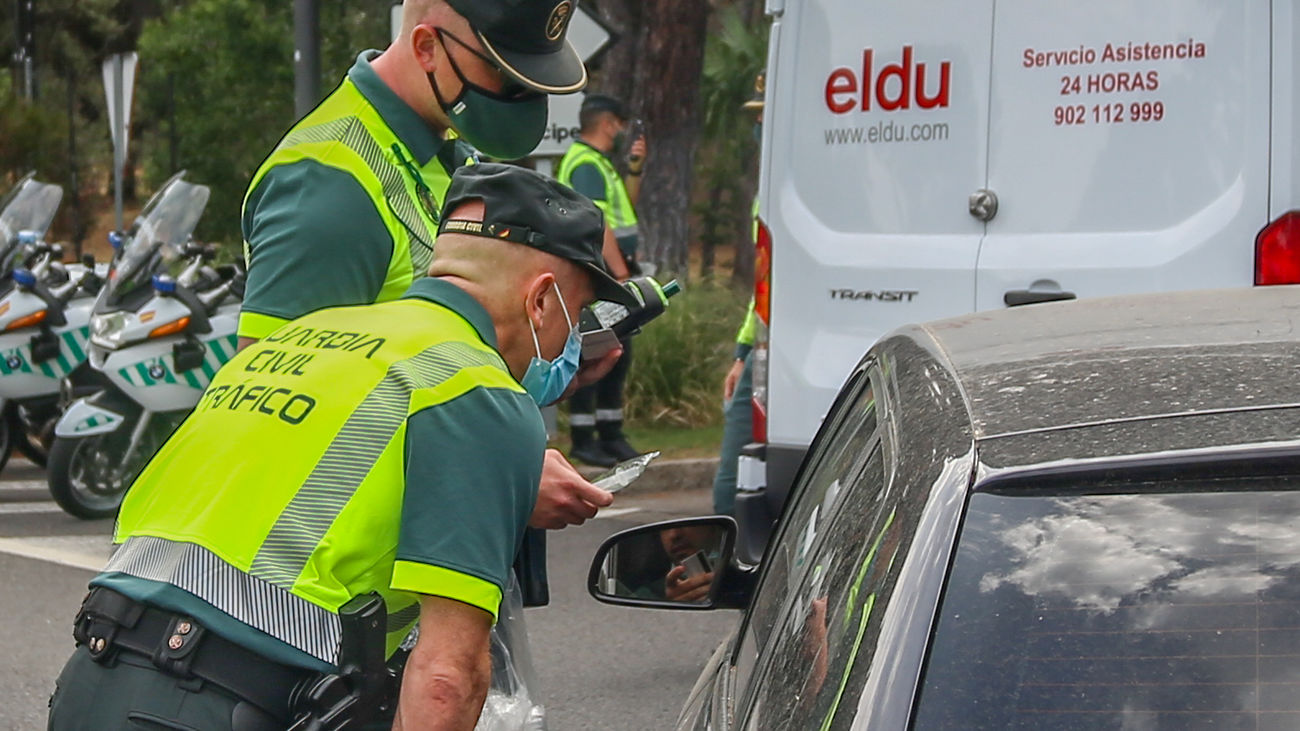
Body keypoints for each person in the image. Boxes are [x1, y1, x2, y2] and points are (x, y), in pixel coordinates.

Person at [47, 164, 641, 730]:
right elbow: (445, 678)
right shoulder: (478, 390)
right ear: (541, 299)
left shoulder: (311, 333)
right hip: (214, 704)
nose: (574, 335)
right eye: (578, 309)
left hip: (90, 679)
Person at [240, 0, 620, 534]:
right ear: (426, 47)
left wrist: (540, 358)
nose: (523, 96)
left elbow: (420, 364)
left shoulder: (447, 153)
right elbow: (275, 420)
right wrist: (495, 475)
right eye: (505, 73)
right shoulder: (331, 185)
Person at [556, 94, 646, 466]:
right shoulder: (586, 165)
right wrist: (620, 274)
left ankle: (611, 434)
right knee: (597, 349)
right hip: (600, 272)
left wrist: (636, 170)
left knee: (617, 352)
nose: (623, 131)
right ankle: (585, 438)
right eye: (621, 124)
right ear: (608, 123)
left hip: (610, 268)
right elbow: (599, 221)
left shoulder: (600, 165)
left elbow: (625, 210)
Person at [713, 75, 765, 515]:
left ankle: (723, 575)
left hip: (775, 346)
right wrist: (742, 351)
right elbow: (763, 288)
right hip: (763, 343)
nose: (760, 125)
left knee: (733, 484)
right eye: (758, 117)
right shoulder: (771, 187)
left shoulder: (786, 187)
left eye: (766, 116)